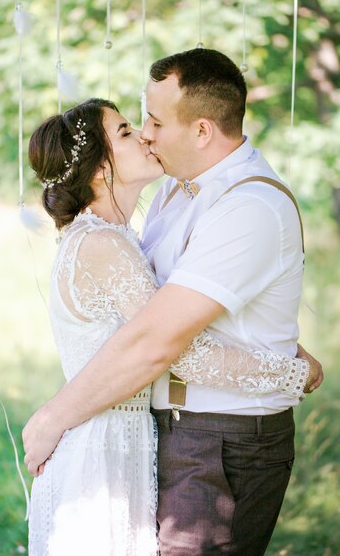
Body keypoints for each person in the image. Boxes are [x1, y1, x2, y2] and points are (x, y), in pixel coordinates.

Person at [24, 51, 323, 556]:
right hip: (140, 439)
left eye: (154, 121)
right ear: (99, 168)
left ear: (202, 130)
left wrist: (287, 363)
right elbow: (159, 336)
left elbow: (163, 337)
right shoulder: (160, 202)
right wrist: (290, 369)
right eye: (131, 127)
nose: (145, 134)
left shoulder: (248, 203)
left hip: (223, 437)